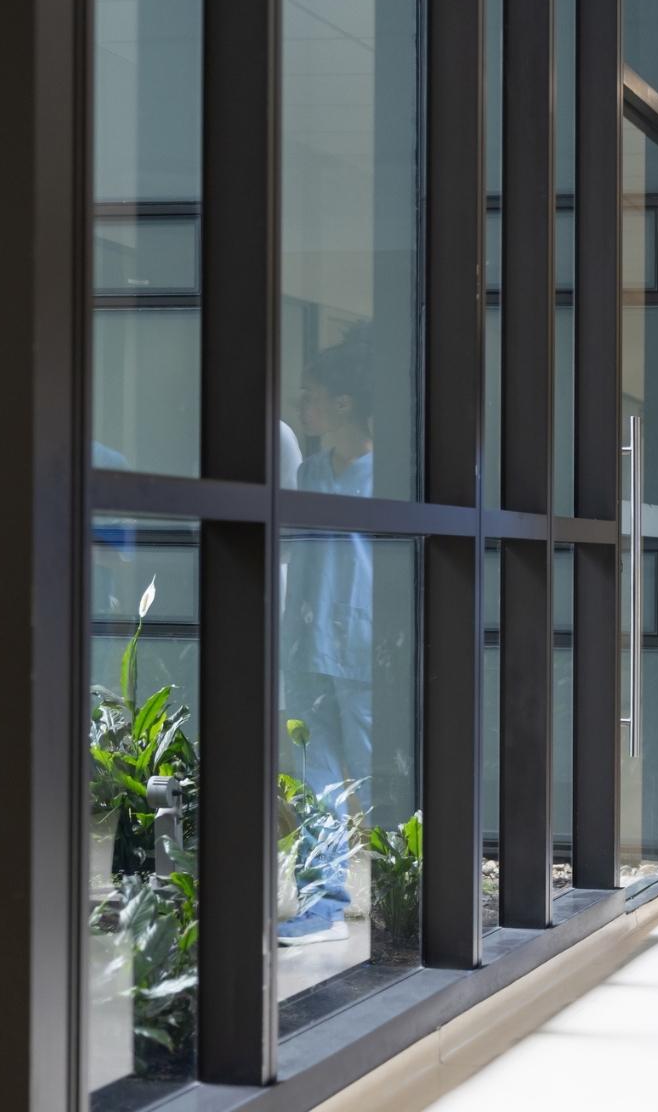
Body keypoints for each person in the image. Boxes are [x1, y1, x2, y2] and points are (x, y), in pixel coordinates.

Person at [279, 329, 377, 946]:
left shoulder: (387, 473)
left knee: (374, 780)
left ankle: (409, 890)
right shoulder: (311, 471)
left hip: (365, 654)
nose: (301, 405)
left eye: (309, 394)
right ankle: (323, 904)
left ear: (342, 403)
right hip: (308, 651)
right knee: (315, 784)